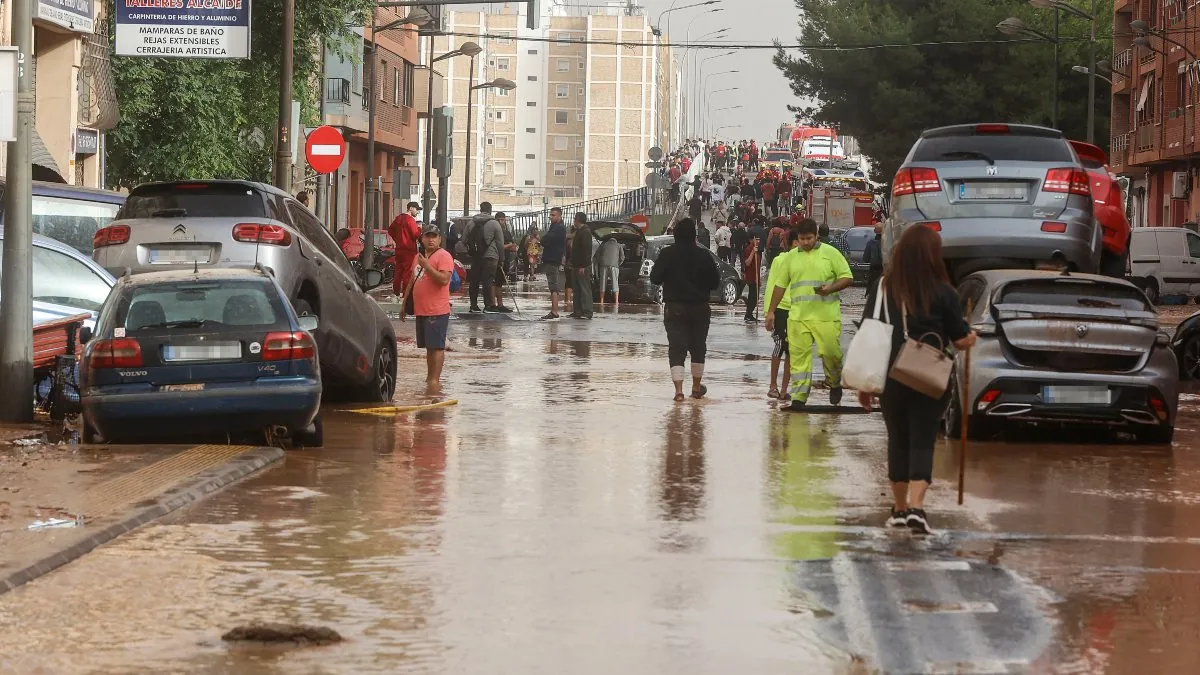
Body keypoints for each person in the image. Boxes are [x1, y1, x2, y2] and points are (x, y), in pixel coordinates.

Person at [859, 225, 976, 534]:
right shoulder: (944, 292)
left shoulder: (883, 287)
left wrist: (865, 384)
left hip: (890, 375)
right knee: (923, 440)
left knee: (898, 440)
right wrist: (970, 335)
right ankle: (917, 509)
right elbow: (961, 340)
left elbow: (868, 331)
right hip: (929, 376)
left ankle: (898, 510)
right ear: (933, 256)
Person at [765, 218, 854, 411]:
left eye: (809, 238)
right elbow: (779, 286)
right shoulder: (790, 258)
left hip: (826, 316)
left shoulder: (830, 254)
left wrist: (830, 288)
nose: (805, 242)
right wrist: (771, 311)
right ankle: (799, 397)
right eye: (802, 239)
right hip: (798, 317)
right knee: (798, 359)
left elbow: (847, 277)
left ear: (817, 236)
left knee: (831, 354)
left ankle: (834, 382)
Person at [649, 218, 720, 402]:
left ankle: (679, 392)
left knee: (676, 348)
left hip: (675, 308)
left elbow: (655, 278)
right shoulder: (705, 255)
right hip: (700, 308)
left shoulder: (667, 254)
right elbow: (715, 283)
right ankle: (696, 388)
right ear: (695, 236)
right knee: (698, 348)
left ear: (675, 235)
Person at [399, 224, 455, 395]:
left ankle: (434, 381)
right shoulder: (419, 257)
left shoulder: (444, 256)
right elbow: (412, 280)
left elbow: (444, 280)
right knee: (428, 347)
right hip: (421, 309)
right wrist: (404, 303)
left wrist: (428, 266)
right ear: (422, 239)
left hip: (436, 310)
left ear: (439, 239)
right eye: (428, 236)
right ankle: (430, 379)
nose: (431, 239)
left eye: (434, 236)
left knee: (437, 347)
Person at [765, 229, 800, 400]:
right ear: (795, 242)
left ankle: (785, 389)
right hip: (780, 309)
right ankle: (773, 386)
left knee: (791, 350)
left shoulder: (806, 262)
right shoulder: (780, 260)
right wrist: (768, 312)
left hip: (798, 311)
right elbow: (771, 284)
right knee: (779, 345)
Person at [466, 202, 504, 314]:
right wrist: (501, 259)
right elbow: (500, 244)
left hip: (476, 256)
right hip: (491, 256)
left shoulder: (471, 222)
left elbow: (463, 240)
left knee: (474, 281)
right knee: (488, 281)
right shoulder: (495, 224)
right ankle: (488, 306)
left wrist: (471, 251)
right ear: (490, 210)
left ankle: (473, 305)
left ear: (480, 209)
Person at [388, 201, 423, 297]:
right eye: (416, 209)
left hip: (399, 249)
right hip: (409, 250)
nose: (417, 212)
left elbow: (390, 230)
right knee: (408, 272)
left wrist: (398, 240)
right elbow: (415, 235)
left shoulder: (398, 218)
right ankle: (405, 294)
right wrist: (419, 228)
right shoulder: (410, 220)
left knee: (398, 271)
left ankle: (396, 292)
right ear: (411, 208)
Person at [540, 207, 568, 320]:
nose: (551, 217)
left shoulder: (558, 228)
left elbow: (545, 240)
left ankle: (554, 311)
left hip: (553, 259)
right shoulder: (556, 227)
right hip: (552, 258)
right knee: (553, 285)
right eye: (550, 215)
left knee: (553, 286)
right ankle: (554, 310)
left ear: (559, 216)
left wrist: (543, 241)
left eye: (553, 215)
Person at [569, 212, 594, 319]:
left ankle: (587, 312)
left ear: (578, 220)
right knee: (577, 289)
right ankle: (577, 311)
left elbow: (586, 250)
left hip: (582, 266)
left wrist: (583, 266)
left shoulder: (585, 232)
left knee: (584, 289)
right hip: (576, 265)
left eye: (575, 219)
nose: (574, 221)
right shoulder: (579, 231)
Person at [490, 212, 517, 313]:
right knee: (493, 282)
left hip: (505, 259)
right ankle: (493, 304)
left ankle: (500, 304)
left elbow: (513, 247)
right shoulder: (494, 232)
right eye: (499, 220)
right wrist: (508, 245)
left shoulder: (506, 233)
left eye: (503, 220)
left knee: (500, 283)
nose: (501, 222)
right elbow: (498, 246)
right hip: (495, 259)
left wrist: (510, 246)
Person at [595, 235, 625, 304]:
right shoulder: (619, 245)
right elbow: (622, 257)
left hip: (603, 266)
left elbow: (597, 257)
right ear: (616, 241)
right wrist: (618, 264)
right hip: (614, 266)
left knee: (602, 283)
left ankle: (601, 300)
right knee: (615, 283)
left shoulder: (603, 245)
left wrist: (600, 263)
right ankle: (616, 301)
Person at [742, 232, 761, 323]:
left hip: (756, 277)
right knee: (753, 297)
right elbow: (747, 262)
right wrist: (753, 252)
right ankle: (748, 314)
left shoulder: (757, 250)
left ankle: (749, 314)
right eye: (756, 239)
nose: (758, 241)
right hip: (751, 277)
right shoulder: (749, 249)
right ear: (751, 240)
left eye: (758, 240)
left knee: (755, 297)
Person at [862, 223, 884, 291]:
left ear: (875, 231)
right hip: (885, 271)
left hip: (874, 271)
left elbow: (865, 259)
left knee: (872, 289)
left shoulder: (871, 243)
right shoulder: (888, 242)